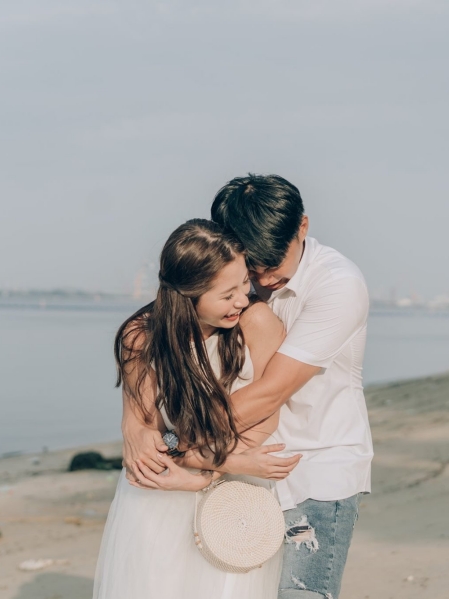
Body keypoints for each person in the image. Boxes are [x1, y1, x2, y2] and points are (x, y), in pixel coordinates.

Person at [124, 175, 373, 599]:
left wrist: (180, 447)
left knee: (302, 594)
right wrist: (135, 420)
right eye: (251, 265)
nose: (261, 278)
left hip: (311, 466)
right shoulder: (235, 281)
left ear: (303, 228)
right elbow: (156, 342)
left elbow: (269, 393)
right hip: (240, 468)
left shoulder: (338, 285)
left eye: (273, 262)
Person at [93, 219, 300, 599]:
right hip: (164, 494)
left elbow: (264, 418)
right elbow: (145, 433)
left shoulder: (256, 322)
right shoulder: (141, 336)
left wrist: (209, 474)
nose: (242, 298)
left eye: (243, 283)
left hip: (234, 504)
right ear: (187, 295)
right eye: (227, 293)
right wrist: (218, 463)